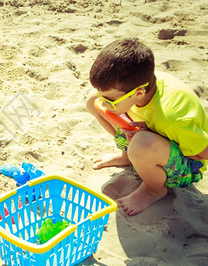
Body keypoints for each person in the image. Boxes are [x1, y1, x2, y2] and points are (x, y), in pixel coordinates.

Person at [86, 38, 208, 216]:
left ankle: (153, 190)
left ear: (139, 93)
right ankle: (128, 156)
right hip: (150, 138)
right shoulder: (138, 83)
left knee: (142, 143)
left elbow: (203, 154)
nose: (104, 102)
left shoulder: (172, 117)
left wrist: (151, 136)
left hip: (187, 166)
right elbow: (107, 101)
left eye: (110, 99)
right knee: (92, 101)